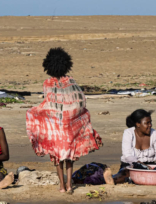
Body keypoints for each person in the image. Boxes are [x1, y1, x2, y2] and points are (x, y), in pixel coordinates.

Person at [26, 47, 102, 193]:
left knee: (57, 157)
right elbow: (80, 101)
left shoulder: (47, 83)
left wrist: (35, 111)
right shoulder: (72, 82)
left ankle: (62, 186)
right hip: (70, 127)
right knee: (69, 156)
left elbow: (48, 104)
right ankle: (69, 185)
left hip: (55, 127)